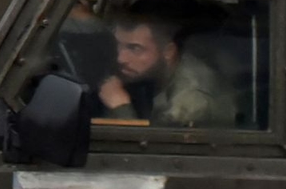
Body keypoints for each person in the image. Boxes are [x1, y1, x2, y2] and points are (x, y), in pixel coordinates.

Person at [98, 12, 237, 128]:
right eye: (117, 45)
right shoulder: (157, 71)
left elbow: (152, 150)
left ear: (168, 52)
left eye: (135, 49)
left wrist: (120, 106)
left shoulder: (190, 102)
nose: (120, 58)